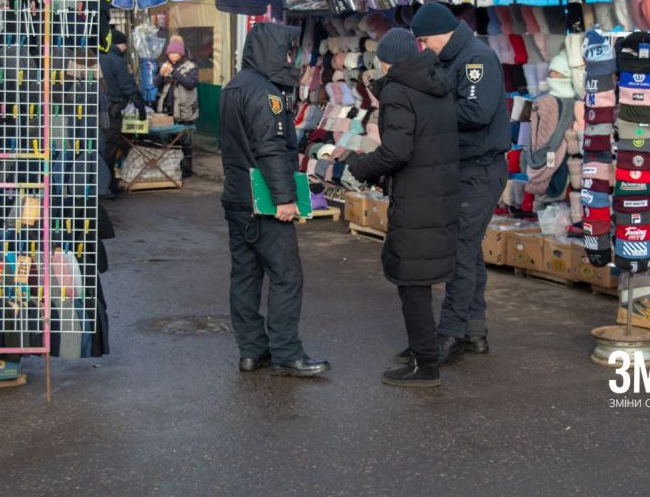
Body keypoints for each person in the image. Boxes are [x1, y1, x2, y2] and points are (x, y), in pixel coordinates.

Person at [347, 29, 459, 388]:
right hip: (438, 192)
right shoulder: (436, 82)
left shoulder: (397, 91)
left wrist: (361, 166)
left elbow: (396, 151)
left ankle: (425, 364)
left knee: (412, 281)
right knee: (420, 278)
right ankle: (421, 349)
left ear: (386, 60)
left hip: (414, 196)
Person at [219, 23, 330, 377]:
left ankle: (251, 351)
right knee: (286, 275)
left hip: (236, 196)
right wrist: (285, 199)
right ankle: (286, 352)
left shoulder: (232, 87)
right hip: (263, 200)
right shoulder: (266, 93)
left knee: (245, 276)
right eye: (286, 51)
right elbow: (270, 149)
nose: (289, 58)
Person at [408, 1, 510, 365]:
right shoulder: (451, 58)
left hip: (481, 169)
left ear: (440, 33)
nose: (423, 47)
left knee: (459, 251)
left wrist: (431, 113)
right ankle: (474, 332)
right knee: (467, 251)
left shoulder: (476, 59)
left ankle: (448, 333)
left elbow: (477, 112)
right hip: (464, 166)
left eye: (424, 40)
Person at [99, 28, 149, 198]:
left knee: (101, 149)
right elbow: (128, 85)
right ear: (120, 44)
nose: (126, 47)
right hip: (112, 111)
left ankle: (107, 185)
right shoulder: (117, 61)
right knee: (110, 150)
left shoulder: (97, 58)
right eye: (125, 44)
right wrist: (140, 106)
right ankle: (106, 187)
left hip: (96, 111)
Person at [156, 35, 200, 177]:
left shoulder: (191, 67)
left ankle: (186, 170)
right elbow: (156, 85)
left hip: (184, 109)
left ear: (181, 53)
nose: (172, 56)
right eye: (170, 53)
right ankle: (172, 168)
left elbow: (191, 84)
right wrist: (161, 76)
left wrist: (174, 73)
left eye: (175, 53)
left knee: (185, 140)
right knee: (169, 141)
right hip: (168, 109)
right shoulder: (165, 65)